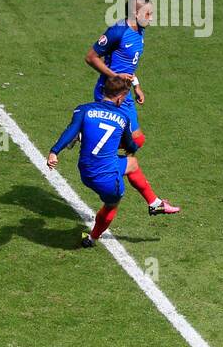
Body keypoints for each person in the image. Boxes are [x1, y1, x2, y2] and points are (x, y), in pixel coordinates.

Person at [46, 75, 181, 246]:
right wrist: (134, 144)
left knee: (132, 164)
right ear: (120, 98)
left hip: (85, 169)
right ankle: (92, 238)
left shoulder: (84, 110)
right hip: (106, 177)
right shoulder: (123, 118)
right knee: (111, 204)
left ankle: (155, 203)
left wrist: (54, 152)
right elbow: (131, 146)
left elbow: (69, 130)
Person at [86, 0, 153, 151]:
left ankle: (93, 145)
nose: (151, 19)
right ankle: (88, 139)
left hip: (125, 93)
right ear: (135, 14)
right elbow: (91, 57)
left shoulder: (139, 31)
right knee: (133, 143)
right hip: (110, 93)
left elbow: (128, 66)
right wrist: (115, 76)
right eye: (148, 14)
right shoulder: (117, 32)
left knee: (135, 142)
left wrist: (136, 86)